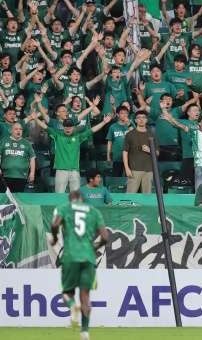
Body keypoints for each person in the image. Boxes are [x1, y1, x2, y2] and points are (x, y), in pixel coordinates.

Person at [51, 190, 109, 340]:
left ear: (71, 199)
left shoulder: (65, 207)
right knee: (85, 296)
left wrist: (55, 239)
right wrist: (95, 247)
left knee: (67, 292)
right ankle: (84, 332)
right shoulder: (94, 211)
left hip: (70, 256)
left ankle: (72, 305)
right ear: (82, 199)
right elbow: (105, 237)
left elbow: (55, 224)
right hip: (88, 257)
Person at [36, 116, 113, 193]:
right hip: (61, 170)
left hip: (74, 171)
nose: (68, 129)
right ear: (63, 127)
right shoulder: (57, 135)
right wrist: (35, 118)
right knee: (59, 195)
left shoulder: (78, 137)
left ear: (73, 127)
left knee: (75, 195)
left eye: (70, 127)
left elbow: (92, 130)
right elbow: (45, 127)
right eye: (66, 127)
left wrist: (104, 122)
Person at [122, 111, 159, 193]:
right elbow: (125, 152)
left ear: (147, 120)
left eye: (143, 117)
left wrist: (150, 150)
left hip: (149, 170)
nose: (141, 119)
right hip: (134, 170)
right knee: (130, 195)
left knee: (147, 196)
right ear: (135, 120)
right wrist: (127, 168)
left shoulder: (152, 135)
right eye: (139, 118)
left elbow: (157, 153)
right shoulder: (130, 134)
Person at [0, 122, 36, 192]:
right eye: (16, 129)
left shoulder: (27, 143)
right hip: (5, 176)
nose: (18, 131)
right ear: (11, 131)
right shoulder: (4, 141)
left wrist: (32, 173)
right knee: (5, 196)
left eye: (20, 129)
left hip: (21, 176)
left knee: (18, 196)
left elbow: (32, 158)